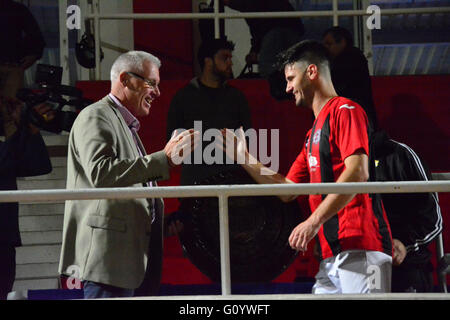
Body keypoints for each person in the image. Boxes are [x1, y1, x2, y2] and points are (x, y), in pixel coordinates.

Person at [221, 40, 393, 294]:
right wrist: (245, 157)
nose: (288, 87)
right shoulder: (312, 134)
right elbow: (286, 189)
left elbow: (358, 172)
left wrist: (312, 222)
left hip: (361, 246)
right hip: (330, 252)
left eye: (291, 78)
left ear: (311, 72)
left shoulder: (346, 110)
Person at [58, 51, 198, 299]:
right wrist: (163, 159)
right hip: (109, 263)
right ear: (125, 79)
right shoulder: (96, 115)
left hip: (129, 264)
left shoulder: (123, 123)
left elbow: (122, 187)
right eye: (151, 83)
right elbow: (100, 173)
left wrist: (158, 223)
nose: (157, 92)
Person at [166, 38, 251, 186]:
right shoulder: (183, 97)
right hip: (195, 181)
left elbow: (247, 137)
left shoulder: (236, 97)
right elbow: (173, 141)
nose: (230, 62)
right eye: (225, 57)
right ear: (208, 61)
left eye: (230, 58)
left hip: (232, 180)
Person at [371, 130, 442, 292]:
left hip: (406, 265)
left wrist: (406, 244)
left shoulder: (400, 155)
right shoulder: (337, 159)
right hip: (358, 263)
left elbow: (433, 218)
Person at [0, 96, 53, 300]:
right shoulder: (6, 148)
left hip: (4, 240)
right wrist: (19, 125)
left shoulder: (6, 147)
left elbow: (39, 165)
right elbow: (5, 161)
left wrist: (30, 127)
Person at [223, 0, 304, 80]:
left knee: (267, 67)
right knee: (289, 65)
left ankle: (274, 89)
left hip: (277, 27)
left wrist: (255, 50)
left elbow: (257, 26)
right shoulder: (247, 5)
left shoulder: (246, 4)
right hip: (290, 26)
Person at [322, 26, 378, 131]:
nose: (326, 48)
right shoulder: (355, 57)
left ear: (342, 42)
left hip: (351, 118)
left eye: (329, 44)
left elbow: (339, 87)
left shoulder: (348, 61)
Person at [0, 0, 46, 98]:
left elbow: (36, 37)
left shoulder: (16, 9)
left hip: (11, 66)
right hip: (12, 66)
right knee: (11, 106)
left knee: (11, 105)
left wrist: (32, 56)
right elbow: (36, 37)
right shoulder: (16, 9)